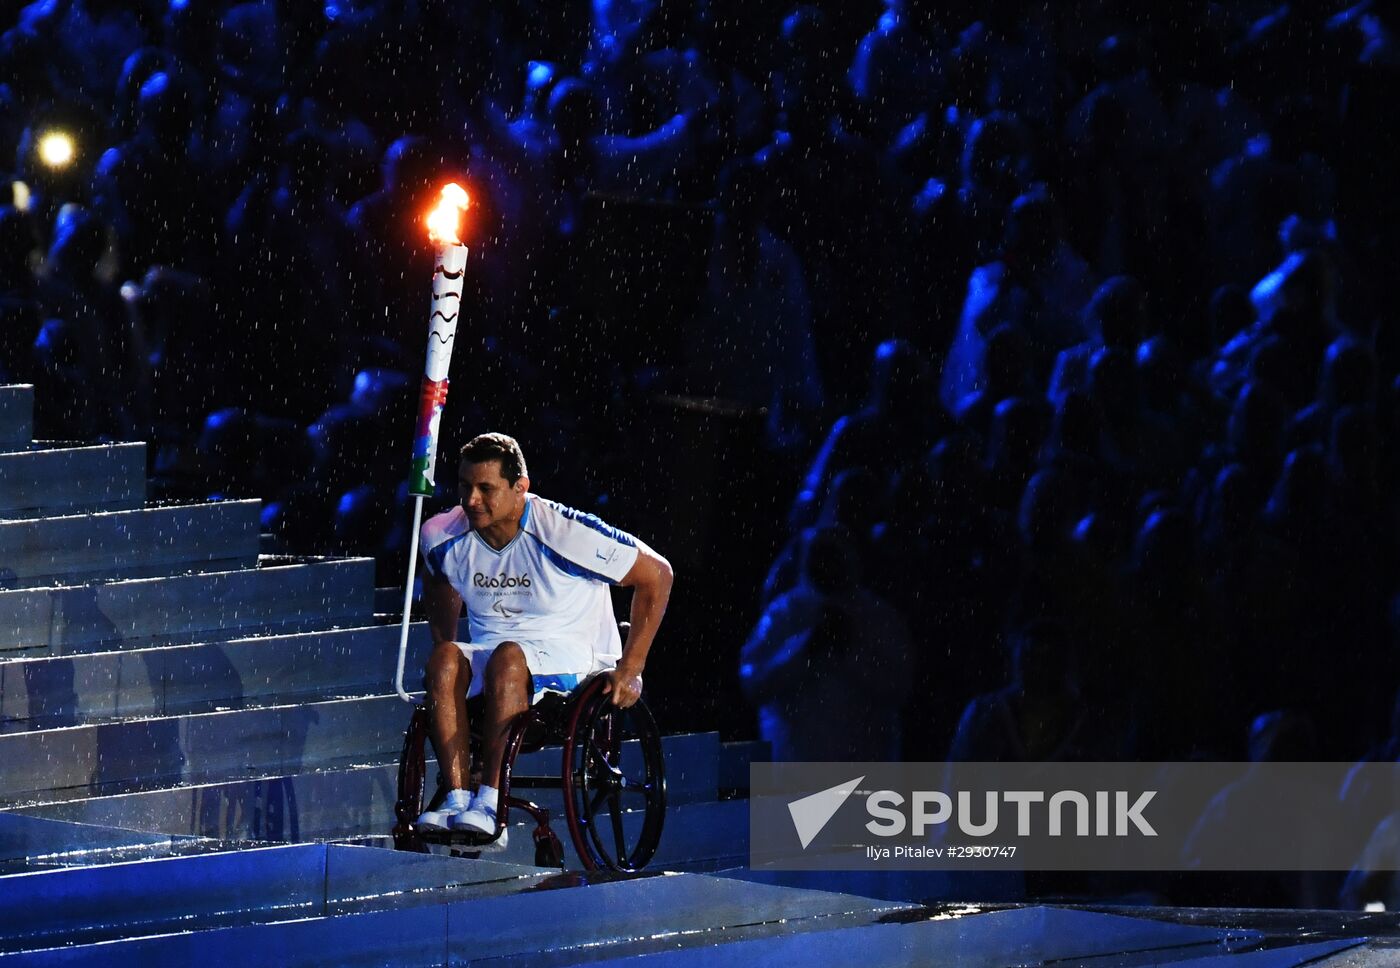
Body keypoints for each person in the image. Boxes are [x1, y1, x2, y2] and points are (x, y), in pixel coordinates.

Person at [414, 433, 673, 847]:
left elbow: (657, 575)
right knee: (445, 659)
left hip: (573, 655)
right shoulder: (441, 535)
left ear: (521, 487)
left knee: (507, 658)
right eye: (465, 487)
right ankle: (458, 796)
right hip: (499, 655)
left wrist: (631, 667)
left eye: (486, 489)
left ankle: (489, 803)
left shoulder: (566, 533)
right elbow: (436, 575)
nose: (472, 500)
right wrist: (445, 639)